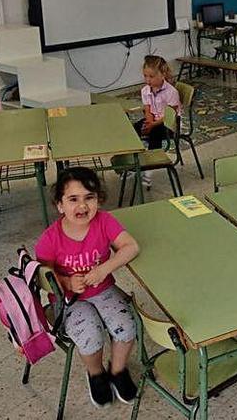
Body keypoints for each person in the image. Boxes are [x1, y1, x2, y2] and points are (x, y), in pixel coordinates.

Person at [35, 167, 140, 408]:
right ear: (60, 205)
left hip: (103, 289)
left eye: (89, 198)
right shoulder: (50, 238)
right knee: (90, 336)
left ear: (98, 200)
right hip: (69, 299)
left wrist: (104, 269)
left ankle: (118, 370)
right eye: (73, 199)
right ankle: (95, 374)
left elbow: (131, 246)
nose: (82, 206)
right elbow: (43, 276)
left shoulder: (104, 221)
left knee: (126, 327)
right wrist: (67, 282)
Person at [134, 55, 181, 189]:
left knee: (154, 133)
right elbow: (147, 110)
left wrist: (152, 125)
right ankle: (133, 162)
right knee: (134, 128)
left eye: (152, 76)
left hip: (168, 125)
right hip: (153, 121)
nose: (148, 80)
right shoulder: (145, 90)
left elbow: (169, 117)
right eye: (145, 76)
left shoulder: (171, 92)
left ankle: (149, 170)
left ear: (163, 74)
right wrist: (148, 123)